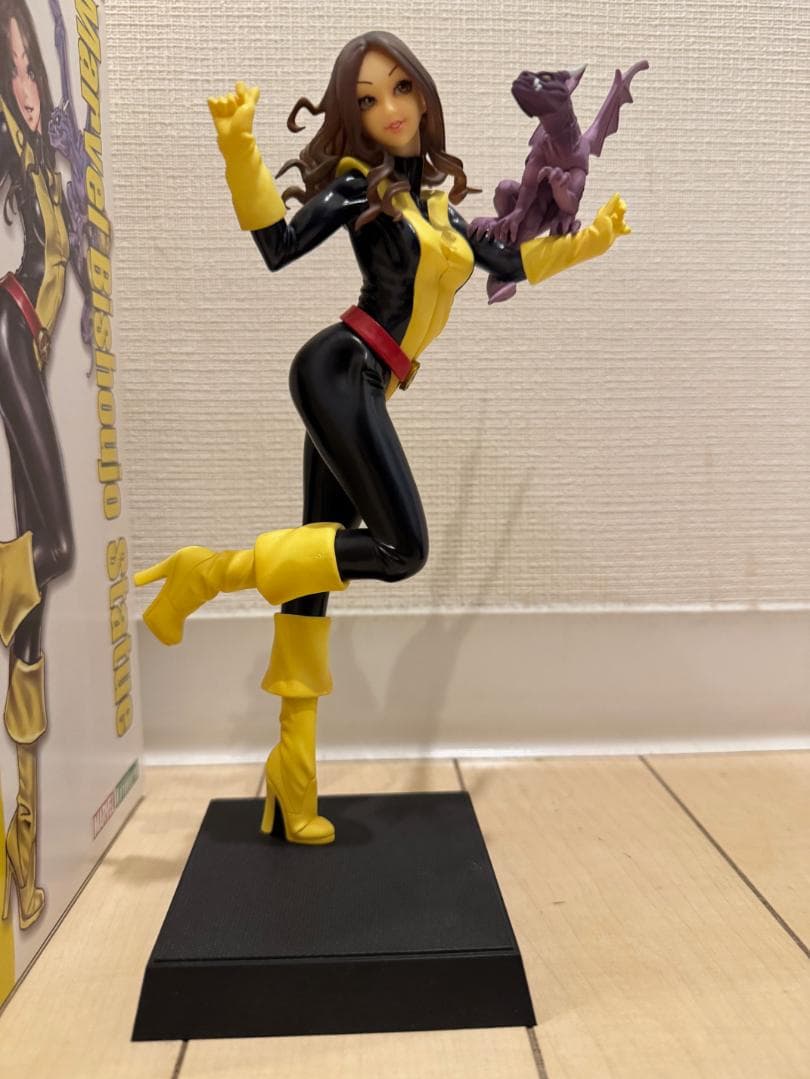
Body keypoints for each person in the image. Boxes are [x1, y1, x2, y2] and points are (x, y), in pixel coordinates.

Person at [136, 32, 629, 845]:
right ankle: (209, 573)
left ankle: (292, 777)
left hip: (370, 380)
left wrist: (591, 242)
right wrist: (238, 149)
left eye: (400, 89)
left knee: (314, 573)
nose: (390, 109)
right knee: (402, 549)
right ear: (352, 116)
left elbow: (509, 262)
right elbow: (277, 247)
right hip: (341, 368)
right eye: (367, 99)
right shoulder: (357, 191)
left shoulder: (440, 210)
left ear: (424, 95)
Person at [0, 0, 83, 929]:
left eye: (32, 65)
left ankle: (25, 836)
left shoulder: (43, 150)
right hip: (7, 331)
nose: (26, 83)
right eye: (10, 65)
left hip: (33, 342)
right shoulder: (4, 141)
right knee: (55, 548)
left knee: (32, 622)